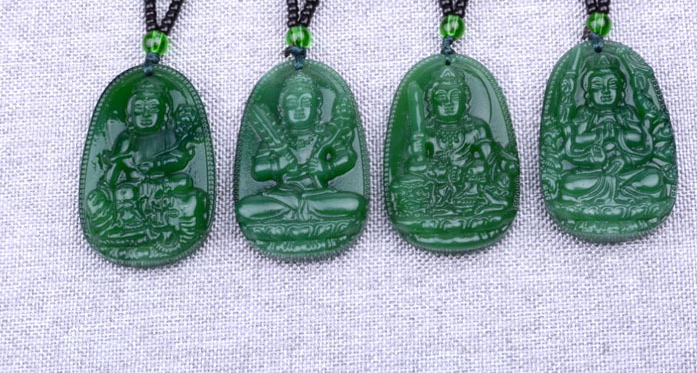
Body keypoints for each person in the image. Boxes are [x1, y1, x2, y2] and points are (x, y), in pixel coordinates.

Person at [84, 78, 207, 253]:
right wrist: (103, 191)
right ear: (130, 115)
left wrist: (157, 164)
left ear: (165, 112)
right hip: (133, 189)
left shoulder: (169, 136)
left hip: (161, 185)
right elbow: (112, 172)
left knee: (184, 180)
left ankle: (156, 223)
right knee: (121, 193)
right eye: (139, 110)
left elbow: (179, 160)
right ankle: (128, 224)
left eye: (153, 109)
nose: (146, 115)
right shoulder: (126, 140)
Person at [236, 72, 366, 233]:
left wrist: (327, 168)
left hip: (318, 195)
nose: (299, 109)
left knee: (355, 203)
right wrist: (278, 165)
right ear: (282, 109)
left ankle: (294, 218)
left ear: (317, 107)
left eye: (305, 102)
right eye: (292, 103)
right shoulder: (276, 138)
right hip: (282, 196)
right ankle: (304, 217)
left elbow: (347, 157)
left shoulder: (325, 134)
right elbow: (257, 171)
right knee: (245, 208)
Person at [391, 66, 517, 218]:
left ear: (466, 101)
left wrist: (504, 164)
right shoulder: (427, 132)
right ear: (431, 103)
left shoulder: (476, 128)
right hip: (438, 179)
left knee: (486, 170)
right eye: (441, 97)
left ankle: (471, 202)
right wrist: (418, 154)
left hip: (470, 180)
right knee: (409, 177)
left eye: (455, 96)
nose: (448, 103)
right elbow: (412, 166)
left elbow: (490, 160)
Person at [557, 54, 665, 205]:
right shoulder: (586, 114)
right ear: (588, 92)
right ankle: (620, 191)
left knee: (654, 177)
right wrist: (600, 139)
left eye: (612, 85)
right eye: (598, 86)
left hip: (626, 170)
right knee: (568, 182)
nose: (605, 91)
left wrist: (621, 150)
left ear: (622, 91)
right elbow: (576, 140)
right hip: (594, 172)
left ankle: (613, 192)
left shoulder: (627, 112)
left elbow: (640, 138)